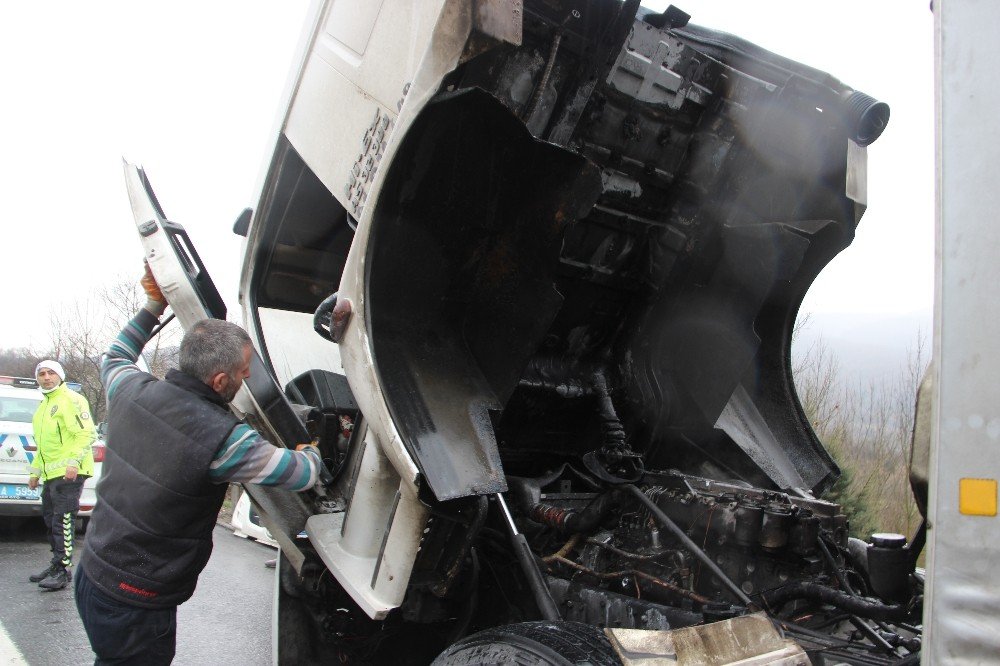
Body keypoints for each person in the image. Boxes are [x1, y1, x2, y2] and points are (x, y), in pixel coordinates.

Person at [75, 265, 321, 665]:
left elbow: (116, 354)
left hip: (92, 574)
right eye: (244, 373)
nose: (247, 378)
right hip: (137, 600)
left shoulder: (128, 387)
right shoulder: (223, 440)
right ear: (221, 381)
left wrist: (153, 306)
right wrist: (311, 447)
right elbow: (303, 474)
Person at [27, 359, 96, 591]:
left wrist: (74, 461)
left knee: (63, 519)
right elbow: (42, 446)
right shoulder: (43, 407)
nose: (46, 377)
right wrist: (35, 472)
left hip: (70, 472)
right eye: (42, 374)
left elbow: (87, 434)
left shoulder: (72, 400)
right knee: (50, 517)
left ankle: (63, 570)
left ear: (60, 376)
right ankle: (56, 562)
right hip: (51, 473)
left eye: (51, 373)